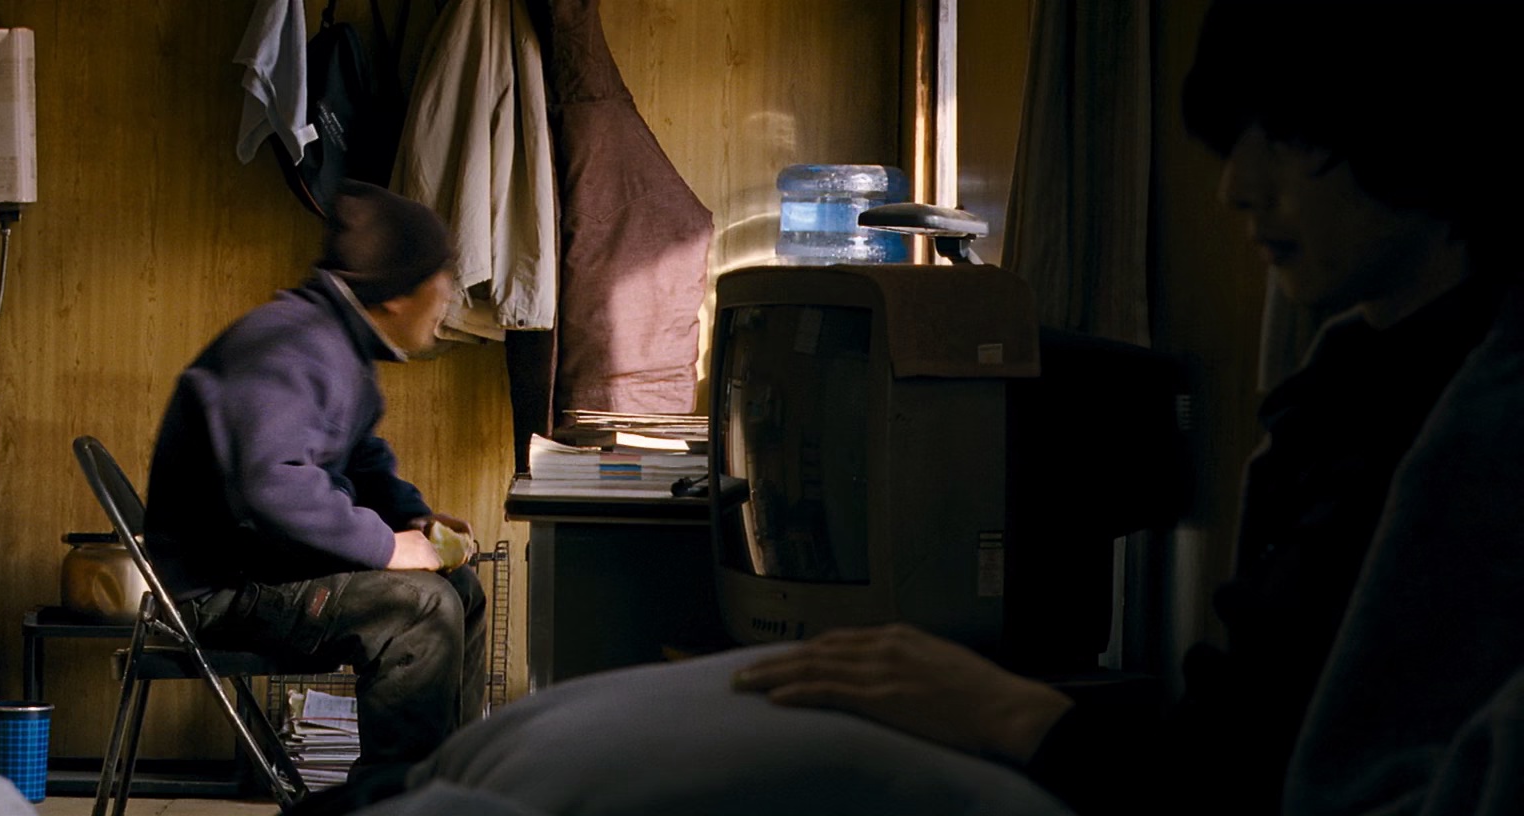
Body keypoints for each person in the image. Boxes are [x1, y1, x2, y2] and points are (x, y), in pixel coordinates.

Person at [292, 2, 1522, 814]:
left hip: (1086, 757)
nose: (1240, 191)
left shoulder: (1477, 417)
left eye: (1293, 144)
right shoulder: (1357, 383)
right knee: (541, 741)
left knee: (556, 756)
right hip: (1089, 743)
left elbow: (1261, 773)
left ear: (1419, 126)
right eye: (1237, 146)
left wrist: (1009, 711)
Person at [144, 179, 489, 773]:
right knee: (420, 607)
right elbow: (269, 484)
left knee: (462, 590)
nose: (449, 298)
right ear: (399, 293)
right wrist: (385, 547)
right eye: (443, 279)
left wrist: (411, 518)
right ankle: (396, 801)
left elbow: (361, 459)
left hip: (268, 568)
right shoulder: (288, 344)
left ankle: (451, 780)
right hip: (223, 589)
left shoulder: (336, 344)